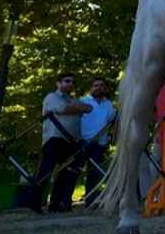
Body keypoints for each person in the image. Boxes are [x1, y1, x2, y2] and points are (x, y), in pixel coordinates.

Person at [31, 73, 92, 213]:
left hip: (71, 141)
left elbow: (89, 108)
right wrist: (77, 108)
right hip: (54, 139)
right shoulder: (51, 97)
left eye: (72, 82)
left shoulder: (73, 99)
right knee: (46, 171)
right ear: (58, 83)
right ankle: (35, 205)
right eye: (67, 81)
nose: (70, 84)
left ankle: (57, 205)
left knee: (66, 173)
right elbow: (64, 109)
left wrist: (76, 107)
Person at [77, 77, 116, 206]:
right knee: (74, 170)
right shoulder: (83, 101)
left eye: (101, 85)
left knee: (94, 172)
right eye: (95, 85)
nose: (98, 87)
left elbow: (112, 121)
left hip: (100, 143)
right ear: (91, 88)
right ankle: (62, 201)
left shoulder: (108, 104)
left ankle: (90, 200)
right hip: (84, 141)